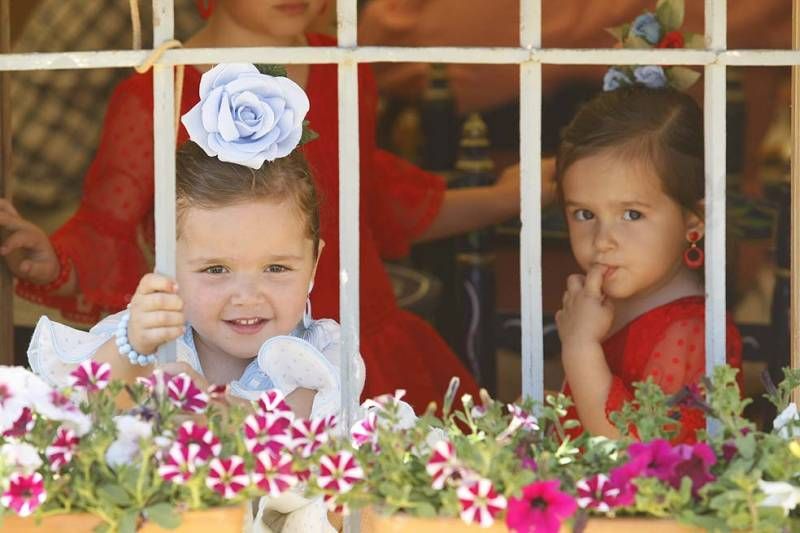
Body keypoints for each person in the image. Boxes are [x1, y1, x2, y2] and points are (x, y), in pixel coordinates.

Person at [1, 0, 546, 410]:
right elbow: (107, 227)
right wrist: (55, 263)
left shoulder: (344, 69)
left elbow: (375, 199)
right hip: (219, 347)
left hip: (359, 342)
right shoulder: (156, 92)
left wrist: (504, 196)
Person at [27, 64, 357, 532]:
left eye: (277, 268)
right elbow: (79, 407)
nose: (247, 296)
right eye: (216, 270)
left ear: (315, 266)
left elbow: (303, 444)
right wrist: (130, 347)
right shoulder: (154, 339)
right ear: (166, 265)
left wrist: (204, 404)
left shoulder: (316, 354)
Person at [553, 86, 743, 444]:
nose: (602, 239)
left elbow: (636, 453)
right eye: (584, 213)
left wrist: (579, 347)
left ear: (693, 220)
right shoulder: (600, 304)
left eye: (632, 214)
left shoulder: (692, 332)